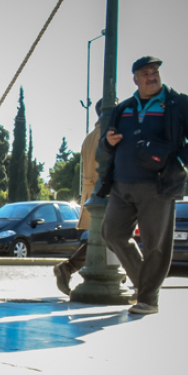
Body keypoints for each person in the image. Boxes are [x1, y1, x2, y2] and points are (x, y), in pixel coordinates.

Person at [98, 56, 188, 315]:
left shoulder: (180, 104)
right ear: (135, 79)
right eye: (145, 73)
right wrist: (108, 142)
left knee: (155, 245)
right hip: (121, 184)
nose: (152, 76)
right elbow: (105, 143)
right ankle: (144, 285)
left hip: (159, 185)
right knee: (111, 233)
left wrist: (180, 160)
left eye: (155, 71)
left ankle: (148, 300)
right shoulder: (124, 107)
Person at [53, 99, 115, 295]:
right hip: (107, 192)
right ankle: (121, 279)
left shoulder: (89, 137)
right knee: (114, 237)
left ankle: (69, 268)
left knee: (102, 239)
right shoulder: (107, 135)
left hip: (92, 192)